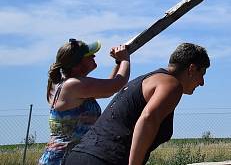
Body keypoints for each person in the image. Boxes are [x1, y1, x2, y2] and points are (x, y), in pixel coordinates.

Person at [65, 43, 209, 165]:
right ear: (191, 69)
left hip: (79, 155)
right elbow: (147, 119)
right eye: (202, 73)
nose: (202, 82)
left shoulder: (148, 79)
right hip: (105, 159)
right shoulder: (171, 84)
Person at [39, 39, 130, 165]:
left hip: (70, 158)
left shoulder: (73, 85)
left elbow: (108, 91)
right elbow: (117, 84)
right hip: (63, 160)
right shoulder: (73, 85)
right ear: (77, 63)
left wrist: (119, 62)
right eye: (89, 55)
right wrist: (125, 60)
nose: (94, 56)